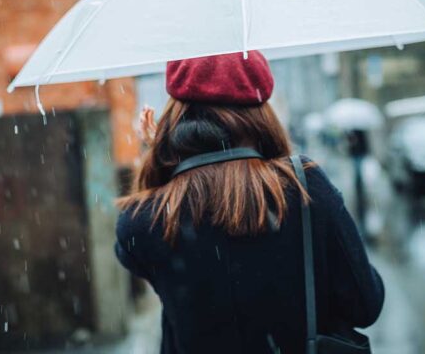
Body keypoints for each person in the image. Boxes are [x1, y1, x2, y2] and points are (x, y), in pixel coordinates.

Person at [115, 51, 384, 354]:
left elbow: (132, 256)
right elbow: (366, 304)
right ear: (262, 113)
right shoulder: (304, 187)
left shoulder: (144, 219)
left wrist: (160, 162)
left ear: (177, 115)